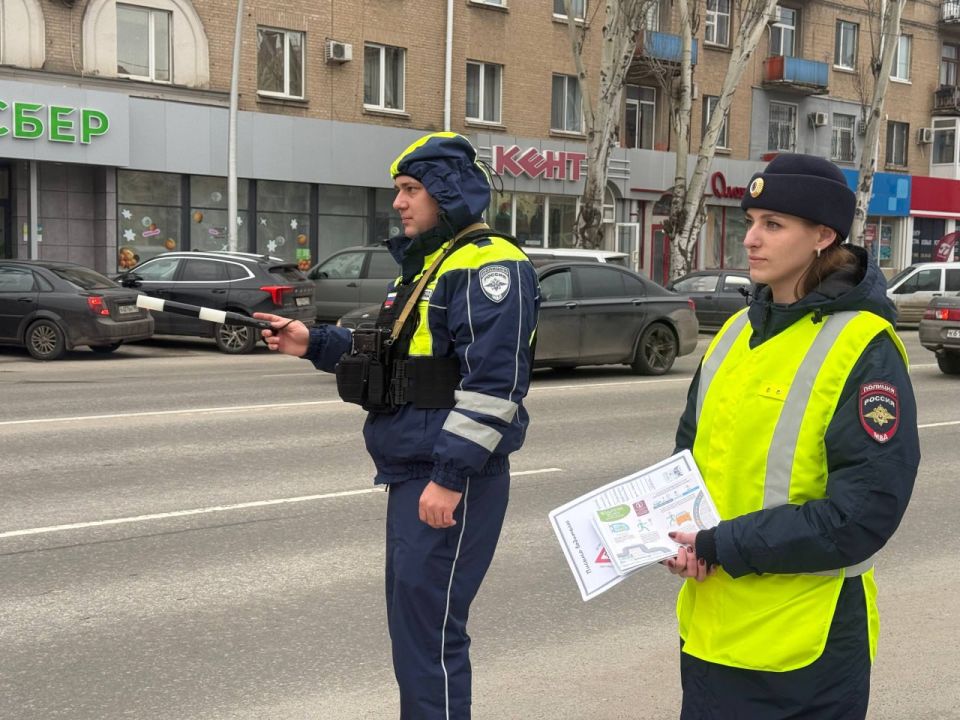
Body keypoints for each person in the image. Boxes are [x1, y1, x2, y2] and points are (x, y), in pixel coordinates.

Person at [256, 132, 539, 720]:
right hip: (414, 471)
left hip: (448, 477)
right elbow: (393, 359)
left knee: (431, 633)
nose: (399, 203)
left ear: (445, 191)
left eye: (411, 190)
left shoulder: (491, 265)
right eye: (398, 190)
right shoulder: (432, 263)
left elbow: (495, 384)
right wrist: (312, 342)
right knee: (415, 630)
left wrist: (450, 477)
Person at [664, 154, 920, 719]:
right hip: (711, 632)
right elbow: (689, 459)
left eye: (773, 225)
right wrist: (678, 535)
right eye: (751, 221)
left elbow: (864, 514)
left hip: (807, 649)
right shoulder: (734, 332)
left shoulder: (863, 344)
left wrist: (719, 544)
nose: (751, 239)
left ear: (823, 236)